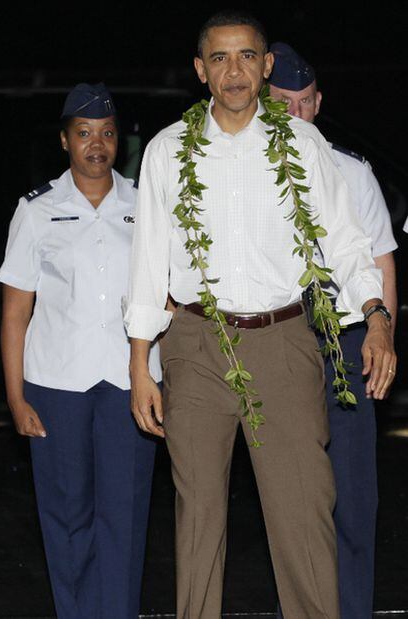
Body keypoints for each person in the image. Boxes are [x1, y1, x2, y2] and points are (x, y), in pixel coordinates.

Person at [123, 10, 396, 619]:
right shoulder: (169, 150)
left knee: (303, 510)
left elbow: (349, 243)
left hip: (284, 341)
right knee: (199, 516)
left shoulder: (302, 143)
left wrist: (376, 316)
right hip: (194, 343)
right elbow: (147, 264)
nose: (234, 70)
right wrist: (140, 364)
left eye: (246, 56)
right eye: (219, 58)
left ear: (266, 65)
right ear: (201, 71)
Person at [0, 83, 161, 619]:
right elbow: (15, 315)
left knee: (125, 514)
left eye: (107, 134)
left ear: (121, 141)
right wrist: (16, 399)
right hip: (56, 386)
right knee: (66, 517)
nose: (97, 145)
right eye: (84, 134)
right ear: (65, 141)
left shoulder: (147, 204)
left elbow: (170, 294)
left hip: (129, 384)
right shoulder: (37, 209)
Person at [268, 43, 397, 619]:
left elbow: (381, 260)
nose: (293, 114)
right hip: (275, 339)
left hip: (345, 339)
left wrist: (383, 335)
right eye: (281, 104)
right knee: (289, 496)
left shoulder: (352, 172)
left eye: (303, 103)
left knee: (353, 495)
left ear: (318, 103)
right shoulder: (237, 173)